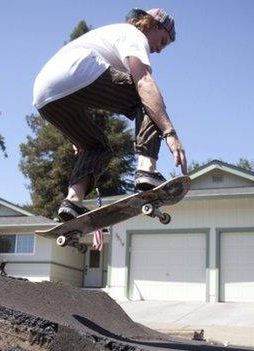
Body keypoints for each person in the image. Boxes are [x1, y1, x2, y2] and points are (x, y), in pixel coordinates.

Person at [32, 8, 188, 221]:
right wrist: (170, 133)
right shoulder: (134, 35)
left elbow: (71, 91)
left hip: (44, 95)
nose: (159, 50)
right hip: (76, 71)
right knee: (148, 99)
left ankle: (72, 203)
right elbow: (144, 83)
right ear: (152, 24)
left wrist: (75, 135)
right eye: (162, 41)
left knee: (96, 147)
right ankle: (146, 170)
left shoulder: (110, 37)